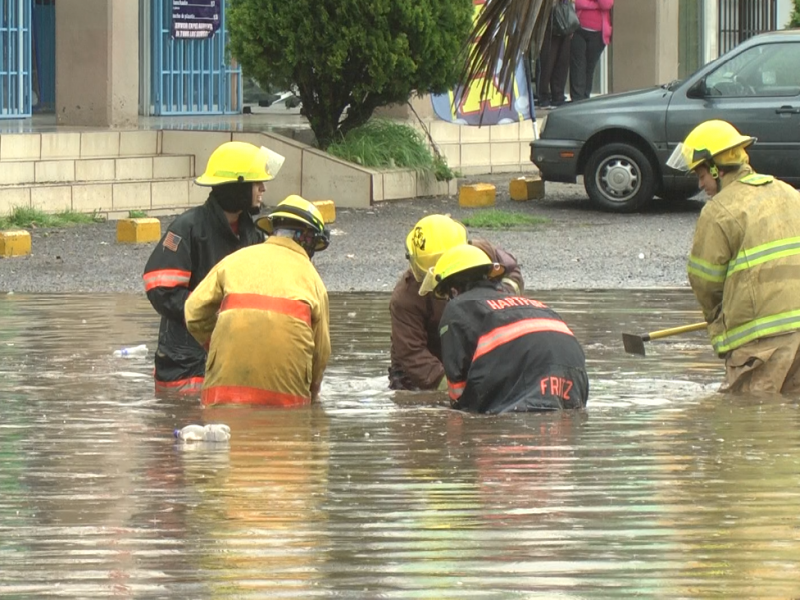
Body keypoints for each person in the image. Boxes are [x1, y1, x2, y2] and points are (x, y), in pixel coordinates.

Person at [667, 119, 800, 393]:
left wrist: (718, 325)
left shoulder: (719, 211)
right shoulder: (789, 194)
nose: (701, 184)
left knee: (748, 421)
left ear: (716, 168)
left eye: (701, 175)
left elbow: (705, 283)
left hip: (762, 345)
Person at [142, 141, 285, 394]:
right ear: (236, 187)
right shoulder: (188, 228)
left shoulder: (251, 233)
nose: (263, 188)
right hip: (185, 366)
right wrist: (214, 312)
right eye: (256, 183)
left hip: (231, 360)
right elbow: (160, 290)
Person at [184, 195, 331, 407]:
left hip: (222, 396)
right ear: (309, 240)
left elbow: (193, 313)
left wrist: (217, 343)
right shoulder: (313, 281)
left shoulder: (235, 260)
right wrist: (314, 394)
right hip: (285, 403)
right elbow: (320, 353)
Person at [420, 244, 589, 414]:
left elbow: (458, 392)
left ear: (454, 291)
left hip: (529, 377)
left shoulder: (457, 308)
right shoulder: (533, 306)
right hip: (574, 372)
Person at [388, 214, 524, 392]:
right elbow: (412, 354)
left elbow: (511, 271)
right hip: (417, 373)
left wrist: (502, 297)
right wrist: (455, 389)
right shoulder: (406, 299)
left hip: (469, 352)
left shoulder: (482, 252)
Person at [569, 0, 613, 102]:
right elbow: (577, 3)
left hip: (598, 34)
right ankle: (576, 100)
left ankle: (585, 99)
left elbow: (607, 4)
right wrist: (596, 5)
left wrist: (589, 4)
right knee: (577, 67)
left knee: (589, 68)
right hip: (578, 30)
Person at [537, 0, 574, 108]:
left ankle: (558, 96)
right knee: (547, 61)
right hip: (548, 20)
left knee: (562, 61)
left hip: (564, 16)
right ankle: (543, 96)